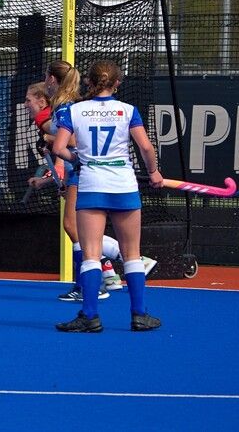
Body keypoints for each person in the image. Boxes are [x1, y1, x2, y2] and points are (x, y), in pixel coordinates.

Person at [52, 60, 164, 332]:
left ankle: (90, 316)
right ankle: (139, 315)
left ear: (88, 83)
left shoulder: (74, 110)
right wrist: (154, 172)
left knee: (91, 255)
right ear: (117, 83)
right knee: (132, 255)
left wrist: (77, 159)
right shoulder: (128, 111)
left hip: (92, 182)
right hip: (123, 184)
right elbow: (146, 147)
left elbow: (58, 147)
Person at [24, 77, 156, 299]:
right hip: (85, 175)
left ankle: (103, 280)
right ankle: (108, 276)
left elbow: (73, 145)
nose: (26, 104)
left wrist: (51, 140)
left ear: (42, 99)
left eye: (28, 100)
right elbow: (61, 159)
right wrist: (53, 179)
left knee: (75, 229)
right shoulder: (57, 116)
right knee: (76, 230)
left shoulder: (56, 115)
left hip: (88, 175)